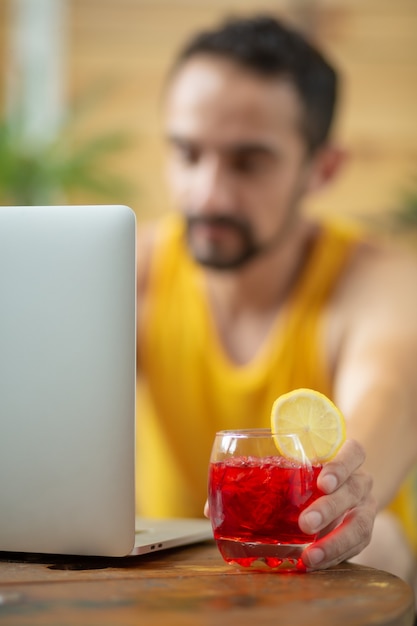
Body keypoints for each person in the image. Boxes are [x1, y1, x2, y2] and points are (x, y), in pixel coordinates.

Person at [135, 14, 417, 584]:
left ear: (323, 168)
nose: (207, 193)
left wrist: (347, 493)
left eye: (248, 162)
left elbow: (388, 396)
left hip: (335, 577)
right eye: (188, 153)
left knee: (375, 537)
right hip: (170, 584)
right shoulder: (129, 274)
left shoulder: (380, 281)